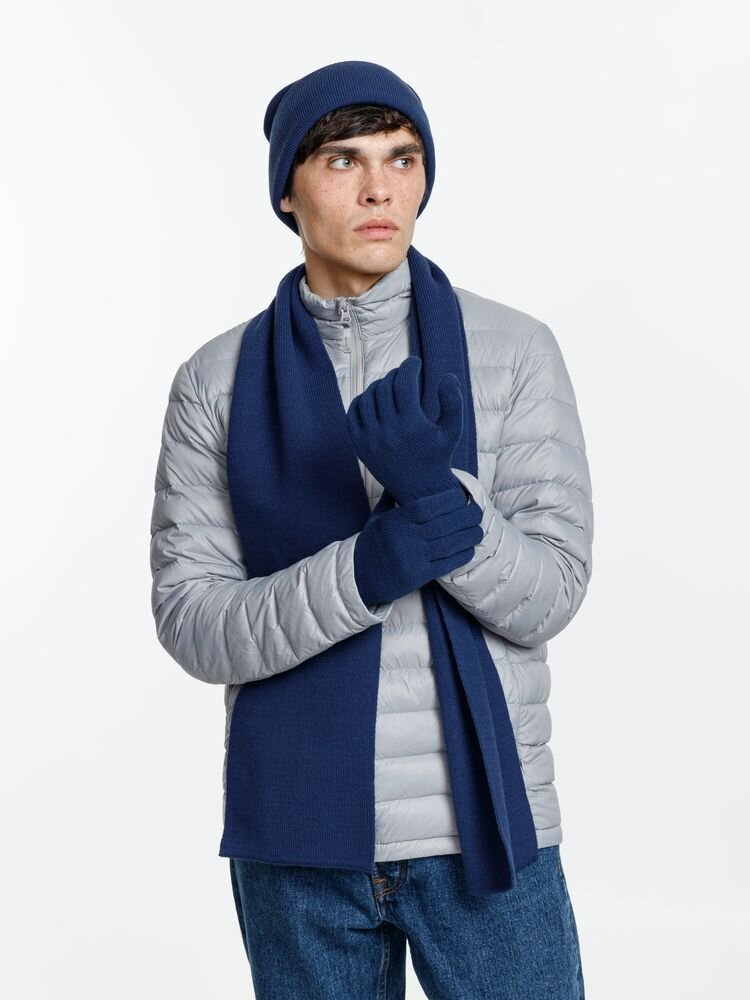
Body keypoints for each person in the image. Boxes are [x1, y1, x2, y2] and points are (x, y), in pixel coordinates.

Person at [150, 60, 593, 999]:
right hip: (295, 839)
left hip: (484, 826)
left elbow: (552, 593)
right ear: (287, 190)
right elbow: (193, 622)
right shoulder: (214, 382)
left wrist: (440, 504)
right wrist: (366, 569)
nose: (381, 187)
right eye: (343, 160)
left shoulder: (513, 351)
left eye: (403, 157)